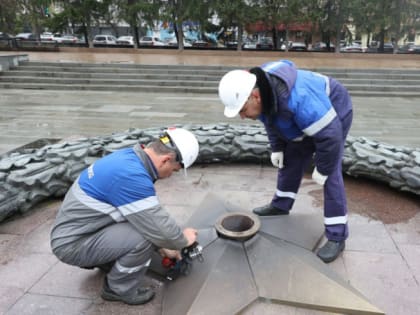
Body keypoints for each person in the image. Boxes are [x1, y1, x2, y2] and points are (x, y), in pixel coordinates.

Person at [218, 60, 353, 263]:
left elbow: (330, 137)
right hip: (305, 116)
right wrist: (278, 148)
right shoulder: (262, 91)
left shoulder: (301, 101)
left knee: (331, 175)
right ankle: (281, 204)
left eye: (242, 110)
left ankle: (337, 236)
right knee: (291, 156)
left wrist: (323, 168)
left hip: (334, 111)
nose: (243, 117)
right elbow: (271, 120)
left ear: (255, 96)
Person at [50, 127, 200, 305]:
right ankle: (118, 289)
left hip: (83, 230)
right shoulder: (131, 176)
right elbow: (159, 227)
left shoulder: (129, 158)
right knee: (143, 238)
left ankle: (106, 261)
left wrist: (162, 246)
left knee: (148, 228)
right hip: (72, 244)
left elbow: (137, 215)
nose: (170, 176)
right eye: (174, 171)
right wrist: (182, 240)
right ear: (166, 160)